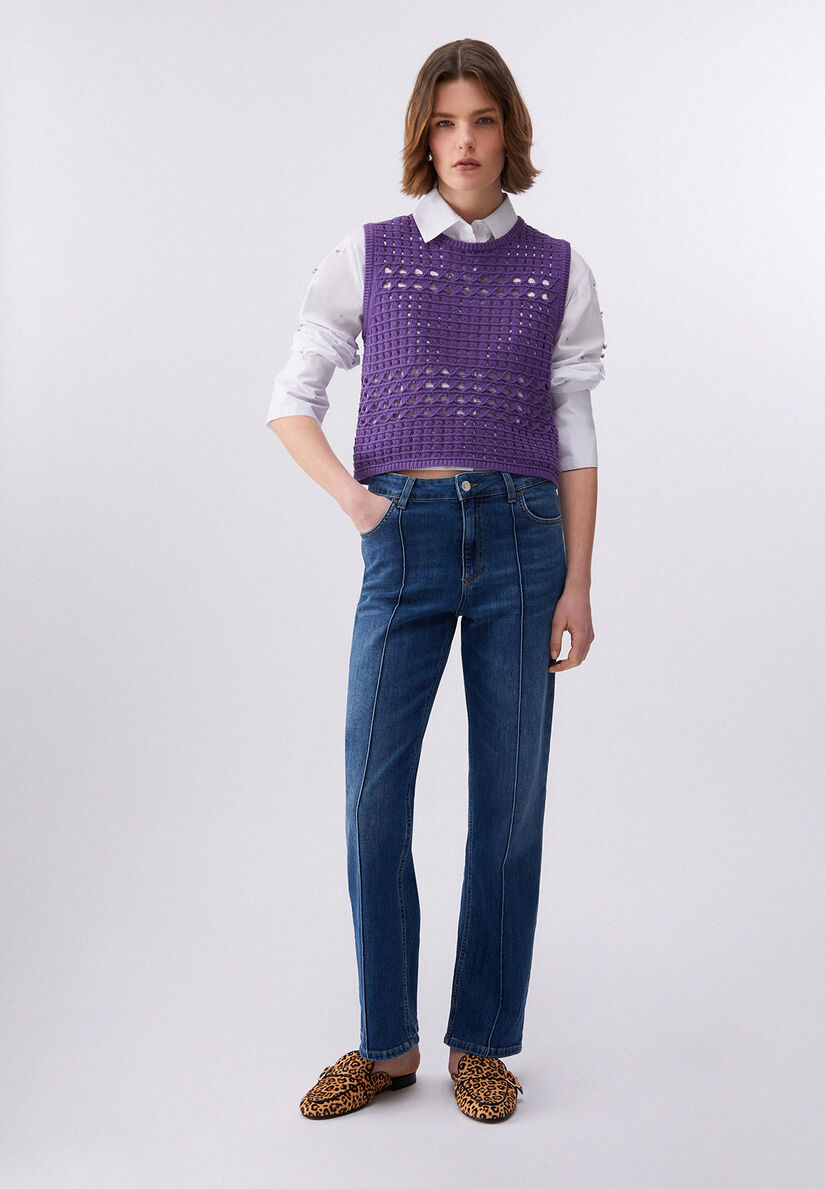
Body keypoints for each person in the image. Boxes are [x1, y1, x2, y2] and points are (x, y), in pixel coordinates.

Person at [267, 38, 606, 1123]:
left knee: (509, 801)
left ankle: (483, 1041)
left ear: (510, 134)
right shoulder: (369, 253)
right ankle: (387, 1044)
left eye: (483, 121)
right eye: (446, 122)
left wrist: (578, 582)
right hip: (403, 538)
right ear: (425, 135)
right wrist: (360, 504)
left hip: (522, 541)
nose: (464, 142)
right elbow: (290, 398)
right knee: (374, 796)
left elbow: (573, 434)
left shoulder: (559, 267)